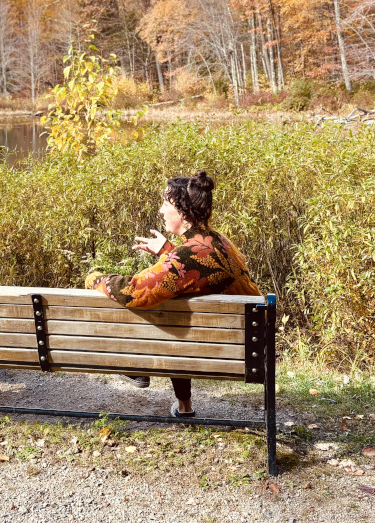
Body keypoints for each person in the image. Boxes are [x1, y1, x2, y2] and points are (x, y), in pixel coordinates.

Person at [85, 170, 260, 417]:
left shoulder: (185, 257)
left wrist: (94, 279)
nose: (160, 211)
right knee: (177, 308)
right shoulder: (219, 242)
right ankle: (183, 407)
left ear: (183, 213)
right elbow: (195, 271)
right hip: (247, 344)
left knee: (152, 308)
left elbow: (132, 291)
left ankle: (134, 365)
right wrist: (167, 251)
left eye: (165, 204)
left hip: (210, 351)